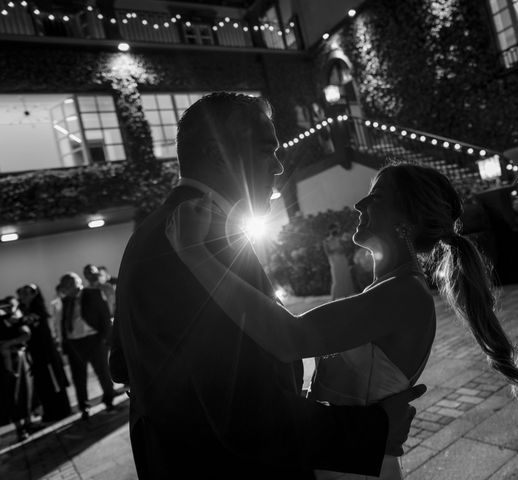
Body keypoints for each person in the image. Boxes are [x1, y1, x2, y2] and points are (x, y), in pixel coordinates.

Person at [109, 92, 425, 480]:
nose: (278, 166)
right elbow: (241, 409)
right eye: (267, 150)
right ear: (219, 153)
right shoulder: (202, 237)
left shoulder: (148, 233)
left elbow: (120, 363)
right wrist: (373, 431)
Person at [167, 162, 518, 479]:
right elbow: (327, 329)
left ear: (407, 219)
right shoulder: (387, 289)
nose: (359, 204)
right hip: (347, 457)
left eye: (377, 196)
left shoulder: (404, 294)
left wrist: (195, 255)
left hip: (354, 469)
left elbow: (290, 338)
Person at [59, 272, 114, 419]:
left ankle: (109, 401)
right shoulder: (65, 301)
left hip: (94, 340)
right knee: (78, 378)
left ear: (79, 281)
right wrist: (65, 344)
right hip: (74, 343)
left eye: (72, 282)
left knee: (103, 372)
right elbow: (64, 322)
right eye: (66, 284)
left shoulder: (93, 293)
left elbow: (105, 315)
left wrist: (104, 339)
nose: (70, 286)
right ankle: (84, 407)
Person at [17, 284, 71, 423]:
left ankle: (60, 411)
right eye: (22, 293)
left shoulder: (37, 310)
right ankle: (50, 412)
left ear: (34, 295)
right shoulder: (23, 310)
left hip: (46, 355)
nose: (23, 296)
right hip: (37, 356)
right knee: (43, 384)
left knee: (53, 383)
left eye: (27, 293)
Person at [0, 296, 33, 440]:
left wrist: (9, 343)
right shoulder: (2, 321)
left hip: (20, 358)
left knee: (26, 391)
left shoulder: (17, 318)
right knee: (12, 394)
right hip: (6, 362)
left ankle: (28, 423)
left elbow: (26, 334)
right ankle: (20, 428)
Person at [323, 222, 357, 300]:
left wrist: (342, 248)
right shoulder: (326, 241)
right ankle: (333, 298)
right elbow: (327, 253)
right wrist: (336, 250)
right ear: (330, 230)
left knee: (345, 276)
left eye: (336, 229)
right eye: (334, 229)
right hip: (334, 261)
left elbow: (346, 249)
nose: (336, 230)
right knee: (337, 278)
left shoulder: (340, 239)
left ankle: (347, 296)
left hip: (342, 260)